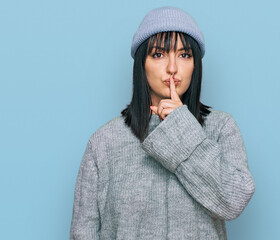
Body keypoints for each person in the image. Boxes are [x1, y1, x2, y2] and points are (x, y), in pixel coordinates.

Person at [70, 6, 255, 240]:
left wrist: (181, 126)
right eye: (158, 54)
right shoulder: (105, 142)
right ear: (142, 64)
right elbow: (82, 231)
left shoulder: (220, 128)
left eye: (184, 55)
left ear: (195, 64)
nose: (172, 68)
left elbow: (234, 200)